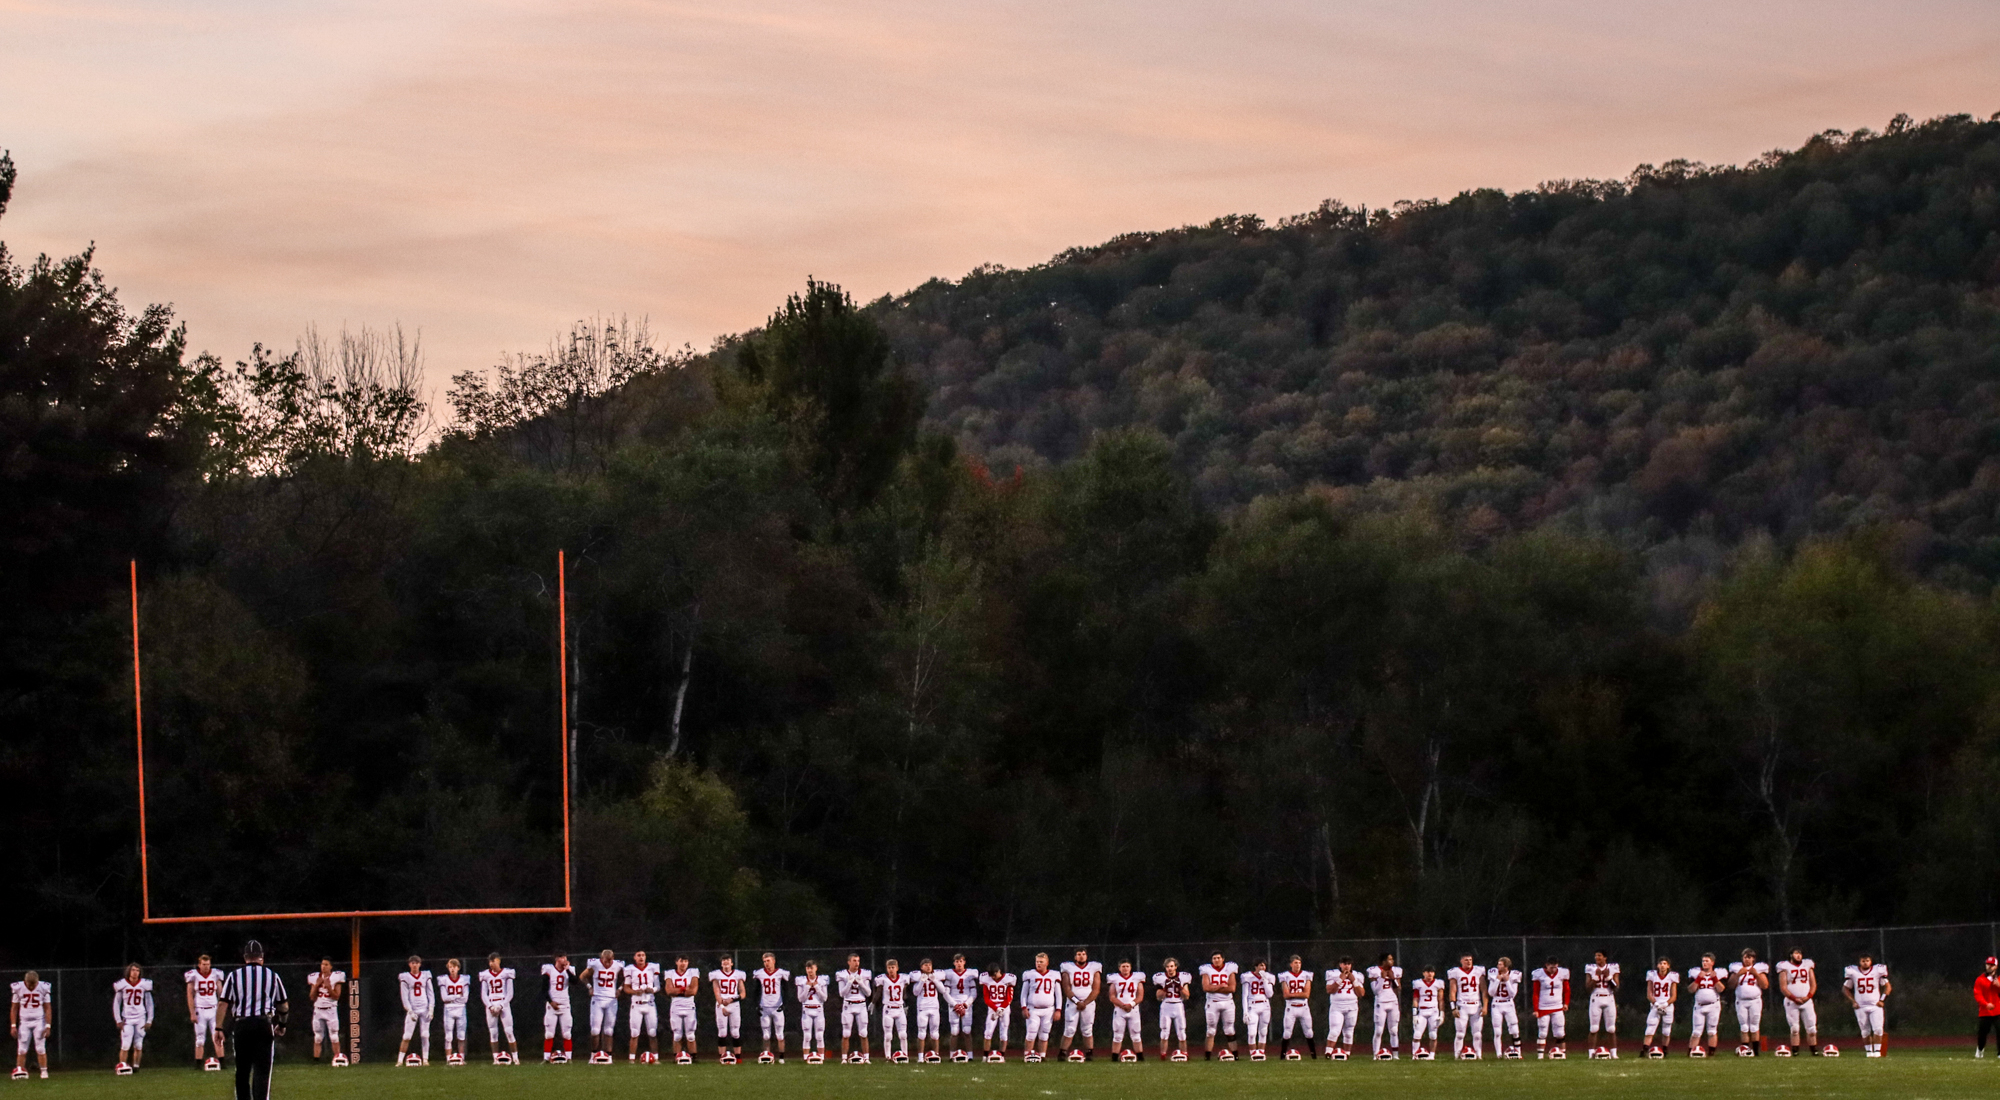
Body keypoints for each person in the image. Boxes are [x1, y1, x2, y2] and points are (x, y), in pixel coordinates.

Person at [218, 940, 287, 1100]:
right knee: (262, 1071)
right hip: (263, 1024)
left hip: (242, 1025)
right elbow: (283, 1005)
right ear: (262, 957)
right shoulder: (272, 976)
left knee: (242, 1070)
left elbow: (223, 1003)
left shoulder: (234, 976)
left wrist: (218, 1027)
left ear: (245, 957)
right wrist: (282, 1024)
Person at [1843, 952, 1891, 1057]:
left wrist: (1882, 1000)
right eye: (1863, 961)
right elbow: (1845, 988)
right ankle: (1869, 1052)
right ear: (1859, 962)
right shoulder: (1853, 972)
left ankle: (1877, 1051)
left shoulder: (1877, 971)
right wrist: (1853, 1001)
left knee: (1878, 1029)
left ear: (1871, 961)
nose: (1865, 963)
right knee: (1865, 1031)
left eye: (1867, 961)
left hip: (1875, 1005)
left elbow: (1888, 987)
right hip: (1860, 1006)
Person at [1059, 947, 1102, 1062]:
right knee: (1069, 1029)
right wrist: (1077, 1001)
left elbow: (1096, 989)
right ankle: (1062, 1053)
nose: (1081, 956)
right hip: (1073, 1002)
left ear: (1087, 956)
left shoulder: (1094, 967)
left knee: (1087, 1029)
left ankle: (1089, 1053)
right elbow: (1066, 987)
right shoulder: (1068, 967)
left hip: (1088, 1003)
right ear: (1075, 956)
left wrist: (1085, 1002)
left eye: (1083, 954)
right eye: (1079, 954)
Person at [1774, 948, 1818, 1056]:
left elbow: (1813, 984)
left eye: (1800, 953)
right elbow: (1783, 987)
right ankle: (1795, 1051)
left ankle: (1814, 1050)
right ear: (1791, 955)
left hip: (1807, 1001)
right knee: (1794, 1028)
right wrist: (1794, 998)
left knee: (1812, 1028)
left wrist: (1808, 996)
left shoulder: (1807, 965)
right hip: (1791, 1002)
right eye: (1796, 953)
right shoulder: (1784, 966)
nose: (1798, 955)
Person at [583, 950, 624, 1064]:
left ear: (613, 958)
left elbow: (627, 978)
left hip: (611, 999)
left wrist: (620, 989)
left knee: (609, 1030)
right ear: (601, 958)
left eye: (610, 961)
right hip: (597, 998)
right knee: (595, 1030)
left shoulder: (618, 965)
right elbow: (583, 976)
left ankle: (609, 1056)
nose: (608, 963)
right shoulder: (595, 964)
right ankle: (593, 1055)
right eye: (606, 961)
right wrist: (590, 987)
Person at [112, 963, 154, 1074]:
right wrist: (118, 1020)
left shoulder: (144, 984)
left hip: (140, 1017)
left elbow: (149, 1003)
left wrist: (149, 1019)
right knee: (125, 1044)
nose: (135, 972)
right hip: (127, 1018)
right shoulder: (122, 984)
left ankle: (136, 1067)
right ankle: (122, 1066)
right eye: (133, 970)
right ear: (129, 971)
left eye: (137, 970)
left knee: (138, 1044)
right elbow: (116, 1003)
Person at [185, 955, 226, 1070]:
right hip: (200, 1009)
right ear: (199, 965)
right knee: (199, 1038)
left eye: (208, 964)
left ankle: (223, 1063)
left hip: (214, 1009)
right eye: (203, 964)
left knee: (217, 1036)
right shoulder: (193, 975)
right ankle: (198, 1064)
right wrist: (192, 1012)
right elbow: (189, 995)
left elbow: (221, 993)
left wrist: (222, 1008)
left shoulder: (216, 974)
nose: (206, 967)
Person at [303, 959, 346, 1066]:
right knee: (318, 1037)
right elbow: (312, 997)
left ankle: (337, 1058)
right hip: (318, 1009)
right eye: (322, 964)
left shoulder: (336, 977)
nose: (323, 966)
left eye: (326, 964)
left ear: (331, 966)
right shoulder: (315, 977)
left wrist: (328, 987)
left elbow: (336, 996)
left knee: (334, 1036)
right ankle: (316, 1061)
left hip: (331, 1009)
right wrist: (317, 985)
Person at [479, 953, 519, 1065]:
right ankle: (495, 1058)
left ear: (499, 961)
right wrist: (490, 1006)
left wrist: (501, 1005)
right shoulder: (485, 975)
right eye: (490, 961)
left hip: (503, 1003)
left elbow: (510, 993)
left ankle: (515, 1058)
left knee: (509, 1031)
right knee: (493, 1032)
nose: (491, 964)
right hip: (491, 1003)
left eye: (493, 961)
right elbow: (484, 994)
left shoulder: (507, 973)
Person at [1198, 952, 1238, 1060]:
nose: (1216, 960)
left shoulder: (1230, 968)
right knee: (1210, 1030)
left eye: (1218, 958)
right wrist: (1221, 986)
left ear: (1223, 959)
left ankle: (1236, 1055)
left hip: (1228, 1002)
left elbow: (1232, 988)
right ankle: (1207, 1056)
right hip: (1213, 1002)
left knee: (1230, 1030)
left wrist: (1214, 988)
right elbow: (1206, 988)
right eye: (1214, 958)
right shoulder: (1206, 969)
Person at [10, 971, 50, 1079]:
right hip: (24, 1021)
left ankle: (44, 1071)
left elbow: (47, 1008)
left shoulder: (43, 987)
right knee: (22, 1049)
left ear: (37, 982)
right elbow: (14, 1008)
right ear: (25, 981)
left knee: (40, 1048)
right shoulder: (18, 988)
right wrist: (13, 1025)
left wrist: (48, 1026)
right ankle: (20, 1071)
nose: (31, 987)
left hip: (39, 1021)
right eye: (29, 984)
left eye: (34, 984)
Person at [1729, 948, 1769, 1056]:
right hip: (1741, 1001)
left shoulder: (1758, 969)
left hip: (1755, 1001)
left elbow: (1765, 985)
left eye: (1749, 957)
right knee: (1744, 1026)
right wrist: (1738, 974)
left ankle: (1756, 1052)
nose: (1747, 959)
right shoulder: (1737, 969)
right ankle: (1745, 1050)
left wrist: (1756, 974)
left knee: (1755, 1026)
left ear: (1753, 959)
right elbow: (1731, 985)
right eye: (1745, 957)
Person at [1446, 953, 1486, 1059]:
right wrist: (1453, 1007)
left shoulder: (1478, 971)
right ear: (1461, 961)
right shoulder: (1455, 972)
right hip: (1462, 1005)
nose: (1468, 962)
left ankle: (1479, 1055)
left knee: (1477, 1034)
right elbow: (1452, 991)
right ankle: (1456, 1055)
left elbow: (1484, 990)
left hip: (1476, 1005)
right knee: (1460, 1033)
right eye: (1466, 960)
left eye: (1470, 960)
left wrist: (1485, 1006)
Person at [941, 954, 980, 1062]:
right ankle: (951, 1055)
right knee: (954, 1031)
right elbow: (945, 993)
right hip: (953, 1004)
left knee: (967, 1030)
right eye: (957, 961)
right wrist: (955, 1005)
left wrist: (966, 1004)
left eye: (961, 961)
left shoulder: (969, 975)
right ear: (954, 963)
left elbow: (973, 993)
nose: (959, 963)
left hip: (966, 1004)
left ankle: (970, 1056)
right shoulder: (950, 975)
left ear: (964, 962)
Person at [836, 954, 874, 1064]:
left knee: (864, 1033)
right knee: (846, 1033)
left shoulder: (865, 974)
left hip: (861, 1004)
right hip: (848, 1004)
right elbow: (842, 993)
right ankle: (844, 1058)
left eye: (858, 960)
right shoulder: (842, 974)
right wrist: (849, 982)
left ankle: (866, 1058)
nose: (857, 963)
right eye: (854, 960)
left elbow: (868, 993)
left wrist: (861, 982)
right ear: (849, 962)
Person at [754, 952, 792, 1063]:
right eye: (764, 961)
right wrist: (757, 1005)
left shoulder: (780, 973)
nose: (766, 963)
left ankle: (781, 1058)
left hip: (777, 1007)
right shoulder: (760, 974)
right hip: (764, 1007)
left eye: (768, 961)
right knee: (766, 1035)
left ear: (774, 961)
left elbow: (786, 990)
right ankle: (767, 1056)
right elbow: (756, 991)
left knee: (780, 1034)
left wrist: (785, 1004)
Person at [1323, 957, 1364, 1060]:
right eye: (1344, 964)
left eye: (1349, 964)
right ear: (1340, 965)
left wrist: (1354, 980)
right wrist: (1340, 979)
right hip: (1337, 1006)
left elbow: (1361, 993)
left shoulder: (1357, 975)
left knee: (1349, 1031)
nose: (1346, 966)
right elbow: (1329, 990)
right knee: (1334, 1030)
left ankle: (1347, 1054)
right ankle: (1328, 1053)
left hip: (1352, 1006)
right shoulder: (1333, 974)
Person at [626, 950, 663, 1064]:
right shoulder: (630, 969)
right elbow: (626, 988)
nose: (641, 957)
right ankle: (631, 1059)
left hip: (650, 1004)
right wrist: (635, 992)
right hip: (636, 1004)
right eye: (638, 955)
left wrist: (652, 990)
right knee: (634, 1033)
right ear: (634, 957)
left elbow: (658, 986)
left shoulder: (652, 967)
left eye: (643, 955)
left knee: (652, 1032)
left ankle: (655, 1058)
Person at [396, 956, 434, 1066]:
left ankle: (425, 1060)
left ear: (420, 964)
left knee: (425, 1035)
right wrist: (409, 1010)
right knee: (407, 1036)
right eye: (412, 963)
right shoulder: (405, 977)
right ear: (409, 964)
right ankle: (399, 1060)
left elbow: (430, 993)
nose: (414, 965)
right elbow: (404, 996)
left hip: (424, 1008)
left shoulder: (425, 975)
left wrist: (431, 1008)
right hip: (413, 1009)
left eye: (416, 963)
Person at [1685, 953, 1725, 1057]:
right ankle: (1691, 1052)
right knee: (1696, 1031)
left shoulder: (1718, 973)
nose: (1704, 963)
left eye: (1707, 961)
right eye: (1703, 961)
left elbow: (1721, 989)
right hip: (1699, 1005)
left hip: (1713, 1005)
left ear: (1712, 963)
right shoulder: (1696, 973)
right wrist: (1698, 979)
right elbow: (1690, 989)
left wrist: (1714, 978)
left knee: (1712, 1031)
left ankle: (1711, 1053)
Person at [1277, 956, 1316, 1060]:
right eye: (1295, 963)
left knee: (1309, 1032)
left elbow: (1306, 994)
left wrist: (1293, 994)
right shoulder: (1285, 976)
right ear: (1291, 964)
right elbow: (1286, 995)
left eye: (1299, 963)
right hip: (1291, 1007)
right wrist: (1300, 994)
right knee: (1287, 1032)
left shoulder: (1307, 975)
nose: (1298, 965)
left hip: (1304, 1007)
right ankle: (1282, 1056)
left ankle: (1314, 1055)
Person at [1106, 960, 1146, 1062]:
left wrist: (1131, 1004)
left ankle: (1140, 1057)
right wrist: (1122, 1005)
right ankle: (1114, 1058)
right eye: (1123, 966)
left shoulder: (1137, 978)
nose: (1125, 968)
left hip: (1133, 1009)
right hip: (1120, 1010)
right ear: (1119, 968)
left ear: (1130, 967)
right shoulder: (1115, 978)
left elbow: (1140, 996)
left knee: (1136, 1034)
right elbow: (1112, 996)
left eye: (1127, 966)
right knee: (1117, 1035)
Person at [710, 954, 746, 1063]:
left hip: (734, 1005)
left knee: (735, 1032)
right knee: (722, 1032)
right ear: (721, 964)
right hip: (721, 1005)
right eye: (724, 961)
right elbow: (716, 992)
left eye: (728, 961)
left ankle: (738, 1057)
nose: (726, 963)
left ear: (732, 963)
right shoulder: (716, 975)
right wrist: (722, 1006)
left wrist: (732, 999)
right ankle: (722, 1056)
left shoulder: (738, 975)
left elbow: (743, 994)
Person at [1531, 957, 1569, 1059]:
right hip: (1543, 1007)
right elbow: (1535, 993)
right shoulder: (1539, 974)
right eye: (1551, 967)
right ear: (1546, 965)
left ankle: (1562, 1054)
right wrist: (1536, 1009)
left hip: (1557, 1006)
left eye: (1555, 967)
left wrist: (1566, 1003)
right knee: (1542, 1032)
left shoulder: (1562, 973)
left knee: (1560, 1032)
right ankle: (1540, 1056)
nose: (1553, 970)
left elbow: (1567, 990)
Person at [1150, 959, 1189, 1062]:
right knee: (1164, 1032)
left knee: (1181, 1032)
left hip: (1178, 1004)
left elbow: (1186, 996)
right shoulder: (1160, 978)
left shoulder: (1183, 977)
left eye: (1171, 966)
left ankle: (1185, 1053)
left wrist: (1179, 986)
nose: (1170, 969)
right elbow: (1158, 997)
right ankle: (1163, 1055)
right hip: (1166, 1005)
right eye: (1167, 967)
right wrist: (1165, 987)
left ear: (1176, 966)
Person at [1583, 951, 1618, 1058]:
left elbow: (1616, 987)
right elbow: (1588, 988)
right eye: (1596, 955)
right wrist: (1595, 978)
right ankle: (1591, 1054)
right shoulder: (1590, 968)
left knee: (1611, 1028)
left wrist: (1608, 977)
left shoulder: (1613, 967)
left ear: (1605, 957)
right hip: (1596, 997)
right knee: (1593, 1028)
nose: (1597, 957)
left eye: (1599, 955)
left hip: (1609, 997)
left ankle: (1614, 1054)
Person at [541, 953, 575, 1063]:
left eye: (565, 957)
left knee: (567, 1034)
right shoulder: (549, 970)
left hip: (565, 1005)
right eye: (562, 957)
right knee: (549, 1034)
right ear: (556, 959)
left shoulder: (569, 970)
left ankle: (569, 1058)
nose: (564, 959)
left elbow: (575, 982)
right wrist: (551, 1002)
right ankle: (546, 1058)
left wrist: (567, 970)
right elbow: (543, 989)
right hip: (552, 1006)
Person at [1640, 957, 1678, 1057]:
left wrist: (1666, 1004)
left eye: (1665, 963)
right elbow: (1649, 993)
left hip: (1667, 1005)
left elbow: (1674, 996)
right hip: (1655, 1005)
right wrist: (1656, 1003)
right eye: (1660, 963)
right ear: (1657, 965)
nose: (1662, 965)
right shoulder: (1652, 975)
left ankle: (1665, 1050)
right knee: (1650, 1028)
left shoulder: (1672, 976)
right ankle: (1644, 1050)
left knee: (1666, 1030)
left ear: (1668, 966)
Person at [661, 953, 694, 1063]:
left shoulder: (692, 972)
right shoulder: (670, 973)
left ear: (688, 963)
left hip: (689, 1005)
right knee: (677, 1034)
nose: (683, 963)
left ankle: (693, 1057)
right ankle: (677, 1056)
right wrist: (684, 989)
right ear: (676, 962)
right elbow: (669, 991)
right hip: (676, 1005)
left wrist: (677, 990)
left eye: (685, 961)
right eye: (681, 961)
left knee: (690, 1034)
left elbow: (693, 991)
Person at [1366, 953, 1400, 1060]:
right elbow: (1376, 991)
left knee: (1394, 1030)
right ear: (1383, 961)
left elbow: (1398, 989)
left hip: (1393, 1002)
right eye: (1389, 959)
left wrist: (1393, 979)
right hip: (1381, 1002)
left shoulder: (1396, 971)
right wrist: (1381, 978)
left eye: (1392, 959)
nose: (1392, 961)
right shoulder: (1374, 971)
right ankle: (1375, 1054)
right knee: (1379, 1030)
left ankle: (1395, 1055)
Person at [877, 959, 912, 1063]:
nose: (891, 970)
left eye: (893, 967)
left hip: (900, 1008)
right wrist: (873, 1003)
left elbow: (904, 992)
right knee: (888, 1035)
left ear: (897, 968)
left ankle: (905, 1055)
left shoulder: (903, 978)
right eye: (889, 968)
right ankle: (888, 1057)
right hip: (888, 1009)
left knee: (903, 1034)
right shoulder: (883, 979)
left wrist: (905, 1003)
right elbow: (878, 991)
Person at [437, 959, 471, 1065]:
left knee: (461, 1035)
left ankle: (461, 1058)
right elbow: (444, 998)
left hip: (461, 1008)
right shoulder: (444, 979)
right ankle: (448, 1058)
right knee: (448, 1036)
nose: (452, 969)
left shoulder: (464, 979)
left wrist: (451, 998)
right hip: (448, 1008)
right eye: (450, 967)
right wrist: (457, 996)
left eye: (454, 967)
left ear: (458, 968)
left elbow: (465, 998)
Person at [1488, 957, 1524, 1058]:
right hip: (1496, 1004)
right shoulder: (1494, 973)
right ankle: (1499, 1054)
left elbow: (1512, 994)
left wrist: (1507, 981)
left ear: (1506, 966)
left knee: (1515, 1030)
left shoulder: (1514, 975)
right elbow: (1491, 993)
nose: (1498, 966)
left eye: (1500, 964)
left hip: (1508, 1004)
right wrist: (1497, 980)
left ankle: (1518, 1052)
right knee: (1497, 1031)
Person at [981, 962, 1017, 1062]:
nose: (993, 977)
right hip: (992, 1008)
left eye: (994, 974)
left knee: (1004, 1033)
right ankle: (985, 1057)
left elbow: (1009, 997)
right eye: (991, 975)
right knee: (988, 1032)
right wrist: (996, 1008)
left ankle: (1002, 1055)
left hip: (1004, 1008)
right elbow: (986, 998)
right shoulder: (986, 979)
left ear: (998, 971)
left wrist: (1002, 1008)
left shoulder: (1008, 979)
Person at [796, 961, 830, 1063]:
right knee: (807, 1035)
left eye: (811, 968)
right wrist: (807, 987)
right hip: (807, 1009)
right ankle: (806, 1057)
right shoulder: (802, 981)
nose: (809, 970)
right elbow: (801, 999)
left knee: (819, 1035)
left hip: (818, 1009)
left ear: (816, 968)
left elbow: (824, 998)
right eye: (808, 968)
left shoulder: (822, 980)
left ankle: (822, 1057)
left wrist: (817, 987)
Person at [912, 959, 945, 1063]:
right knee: (922, 1033)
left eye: (929, 965)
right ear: (921, 967)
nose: (928, 967)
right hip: (923, 1007)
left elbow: (942, 990)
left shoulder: (936, 976)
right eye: (925, 965)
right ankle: (920, 1057)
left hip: (934, 1007)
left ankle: (936, 1055)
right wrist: (922, 981)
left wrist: (935, 980)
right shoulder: (918, 977)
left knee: (935, 1033)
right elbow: (915, 992)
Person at [1240, 960, 1274, 1061]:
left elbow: (1269, 994)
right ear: (1256, 966)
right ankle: (1253, 1053)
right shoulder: (1247, 976)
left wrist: (1265, 980)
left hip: (1265, 1005)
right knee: (1251, 1032)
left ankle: (1261, 1052)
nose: (1263, 968)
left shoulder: (1269, 977)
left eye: (1264, 966)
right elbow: (1244, 995)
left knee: (1263, 1031)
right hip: (1253, 1005)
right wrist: (1245, 1011)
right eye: (1260, 965)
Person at [1409, 965, 1444, 1060]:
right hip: (1422, 1011)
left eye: (1431, 972)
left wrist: (1442, 1014)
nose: (1430, 974)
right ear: (1423, 973)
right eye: (1428, 972)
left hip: (1434, 1011)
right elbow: (1415, 999)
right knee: (1417, 1034)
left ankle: (1432, 1055)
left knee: (1433, 1034)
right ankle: (1415, 1054)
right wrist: (1414, 1014)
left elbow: (1441, 1000)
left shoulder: (1438, 983)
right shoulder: (1418, 983)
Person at [1976, 957, 2000, 1059]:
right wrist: (1986, 1004)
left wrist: (1999, 986)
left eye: (1992, 965)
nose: (1989, 967)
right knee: (1983, 1033)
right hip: (1985, 1012)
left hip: (1998, 1011)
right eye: (1988, 964)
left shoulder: (1999, 979)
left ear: (1996, 967)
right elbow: (1978, 995)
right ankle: (1980, 1049)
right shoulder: (1980, 979)